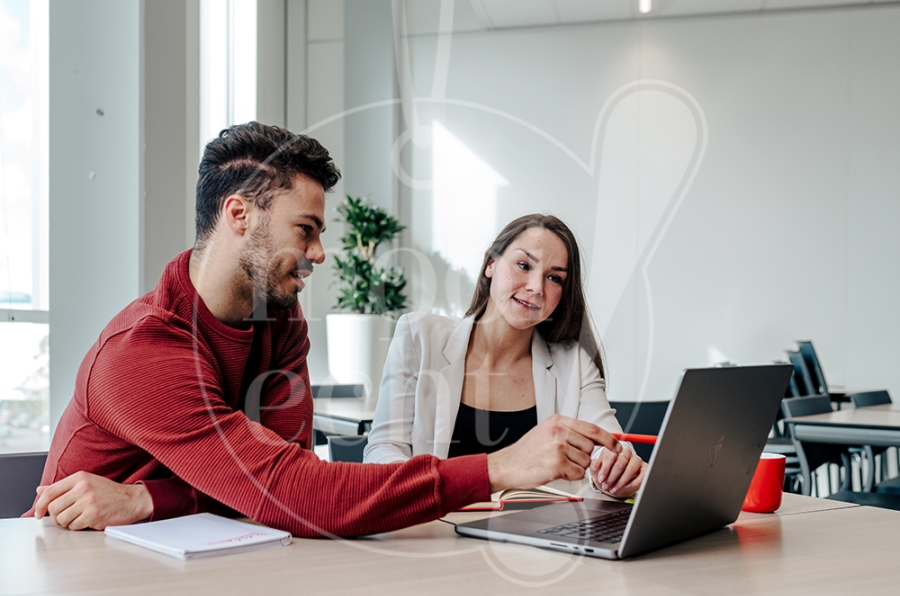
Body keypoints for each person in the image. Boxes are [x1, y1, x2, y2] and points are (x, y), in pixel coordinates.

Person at [27, 123, 624, 536]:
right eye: (306, 229)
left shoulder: (280, 318)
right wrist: (499, 468)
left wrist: (149, 496)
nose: (320, 252)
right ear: (239, 214)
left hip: (195, 551)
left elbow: (283, 479)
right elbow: (295, 492)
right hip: (78, 562)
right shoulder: (145, 352)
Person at [364, 215, 647, 498]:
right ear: (490, 264)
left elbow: (610, 448)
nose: (537, 287)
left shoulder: (575, 364)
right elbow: (383, 449)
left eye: (554, 277)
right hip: (437, 532)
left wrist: (616, 469)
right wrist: (417, 490)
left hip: (537, 536)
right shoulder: (419, 336)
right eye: (524, 265)